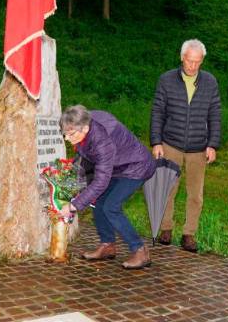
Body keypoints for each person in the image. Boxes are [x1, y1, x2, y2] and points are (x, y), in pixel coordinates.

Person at [58, 106, 156, 269]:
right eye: (64, 134)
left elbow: (101, 181)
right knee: (99, 203)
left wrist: (74, 206)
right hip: (117, 167)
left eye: (71, 134)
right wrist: (72, 183)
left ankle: (140, 250)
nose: (67, 138)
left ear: (85, 128)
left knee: (111, 207)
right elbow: (85, 158)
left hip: (136, 167)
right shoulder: (84, 123)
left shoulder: (102, 142)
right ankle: (108, 246)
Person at [150, 39, 221, 252]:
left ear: (202, 61)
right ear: (182, 58)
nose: (193, 66)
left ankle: (189, 234)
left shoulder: (210, 82)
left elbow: (215, 114)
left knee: (195, 195)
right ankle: (166, 229)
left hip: (198, 147)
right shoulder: (166, 79)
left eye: (197, 62)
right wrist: (156, 142)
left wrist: (213, 144)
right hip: (170, 143)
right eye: (190, 61)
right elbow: (157, 111)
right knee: (167, 189)